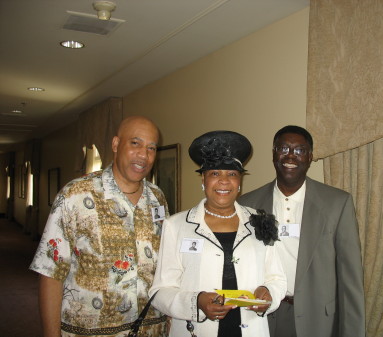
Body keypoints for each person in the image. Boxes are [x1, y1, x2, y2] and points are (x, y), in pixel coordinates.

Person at [30, 116, 169, 337]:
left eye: (151, 148)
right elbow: (50, 272)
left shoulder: (157, 198)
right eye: (135, 143)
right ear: (115, 144)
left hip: (151, 330)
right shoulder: (75, 195)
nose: (144, 155)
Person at [149, 130, 287, 337]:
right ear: (203, 180)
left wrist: (268, 295)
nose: (224, 181)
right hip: (196, 329)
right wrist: (196, 301)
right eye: (215, 173)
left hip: (250, 328)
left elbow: (276, 278)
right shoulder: (176, 225)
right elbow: (159, 291)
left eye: (231, 174)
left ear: (239, 182)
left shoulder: (259, 221)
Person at [239, 125, 365, 337]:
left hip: (318, 320)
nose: (290, 156)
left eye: (299, 150)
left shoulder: (337, 203)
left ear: (310, 157)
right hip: (264, 316)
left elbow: (350, 279)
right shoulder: (247, 204)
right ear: (273, 153)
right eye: (283, 149)